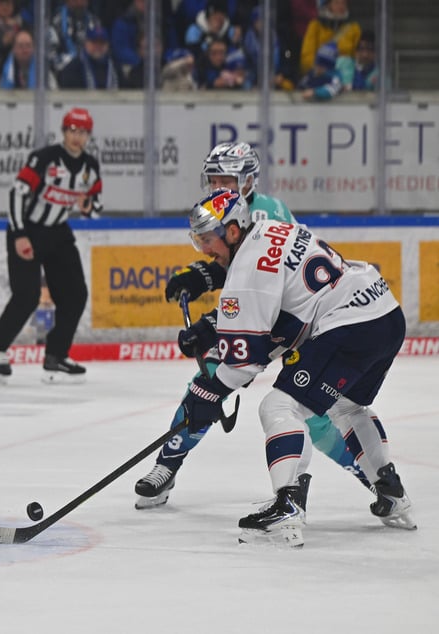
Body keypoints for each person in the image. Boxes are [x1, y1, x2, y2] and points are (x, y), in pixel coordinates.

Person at [134, 142, 375, 510]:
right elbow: (231, 266)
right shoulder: (236, 210)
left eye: (225, 178)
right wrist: (200, 275)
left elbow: (265, 287)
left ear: (247, 180)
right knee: (207, 383)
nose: (217, 185)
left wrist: (212, 323)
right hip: (266, 314)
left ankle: (370, 475)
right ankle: (166, 466)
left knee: (309, 413)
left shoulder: (264, 216)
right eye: (213, 177)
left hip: (295, 321)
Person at [175, 189, 415, 546]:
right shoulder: (271, 228)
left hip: (347, 325)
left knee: (279, 406)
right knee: (347, 405)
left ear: (233, 231)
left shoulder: (247, 269)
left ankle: (287, 504)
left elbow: (247, 360)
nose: (205, 250)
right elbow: (286, 324)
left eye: (208, 240)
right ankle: (391, 491)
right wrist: (215, 330)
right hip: (383, 311)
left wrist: (206, 393)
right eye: (199, 242)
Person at [0, 107, 102, 385]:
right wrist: (20, 234)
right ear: (64, 131)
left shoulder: (90, 167)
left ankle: (56, 356)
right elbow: (16, 194)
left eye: (83, 132)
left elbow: (95, 208)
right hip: (27, 228)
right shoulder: (45, 159)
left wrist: (87, 206)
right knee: (27, 295)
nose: (77, 136)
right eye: (73, 130)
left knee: (75, 294)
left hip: (58, 232)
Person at [299, 0, 360, 79]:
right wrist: (317, 70)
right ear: (328, 5)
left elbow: (357, 55)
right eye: (336, 3)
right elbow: (307, 54)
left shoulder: (354, 28)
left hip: (345, 75)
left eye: (344, 3)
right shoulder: (315, 26)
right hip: (319, 75)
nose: (341, 6)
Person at [46, 0, 102, 75]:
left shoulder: (94, 22)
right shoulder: (56, 21)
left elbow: (101, 50)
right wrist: (72, 64)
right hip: (64, 72)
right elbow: (51, 55)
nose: (79, 3)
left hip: (90, 71)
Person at [56, 25, 119, 90]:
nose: (98, 47)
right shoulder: (72, 68)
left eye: (102, 43)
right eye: (94, 43)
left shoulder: (115, 67)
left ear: (107, 45)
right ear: (86, 44)